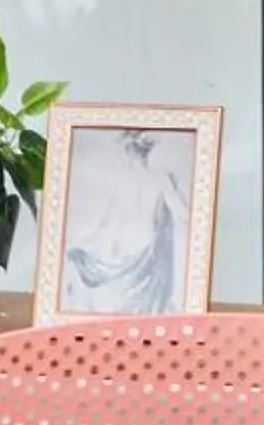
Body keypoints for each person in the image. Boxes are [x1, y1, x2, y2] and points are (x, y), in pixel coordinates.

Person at [61, 128, 192, 313]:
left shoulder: (121, 182)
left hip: (126, 252)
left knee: (79, 265)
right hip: (147, 253)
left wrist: (81, 244)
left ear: (127, 152)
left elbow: (104, 225)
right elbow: (184, 215)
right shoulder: (161, 179)